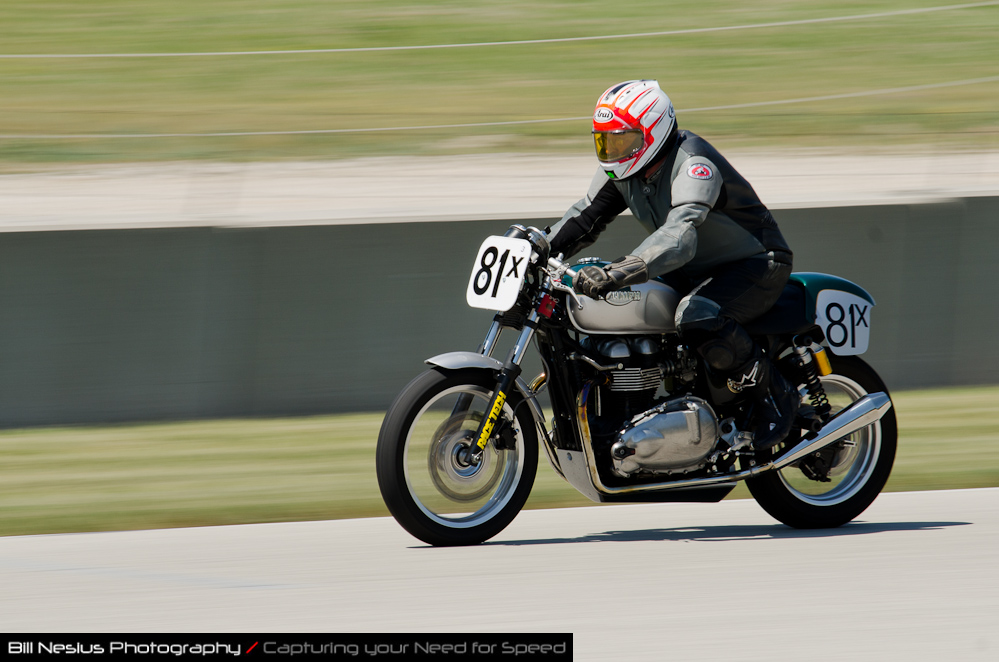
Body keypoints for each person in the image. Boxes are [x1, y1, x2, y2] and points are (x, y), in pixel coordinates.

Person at [546, 79, 798, 450]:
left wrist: (617, 272)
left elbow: (680, 238)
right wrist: (536, 245)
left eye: (623, 140)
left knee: (695, 315)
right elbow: (584, 218)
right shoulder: (622, 171)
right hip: (694, 268)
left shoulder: (695, 165)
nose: (613, 151)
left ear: (654, 132)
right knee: (630, 306)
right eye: (605, 140)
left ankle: (776, 398)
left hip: (755, 264)